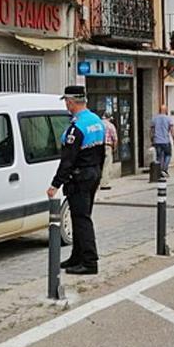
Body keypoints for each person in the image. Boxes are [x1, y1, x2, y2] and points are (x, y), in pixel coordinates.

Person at [48, 86, 106, 275]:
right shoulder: (96, 121)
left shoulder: (77, 128)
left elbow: (68, 160)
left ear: (71, 102)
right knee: (79, 217)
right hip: (93, 174)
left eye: (66, 101)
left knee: (81, 220)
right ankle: (77, 256)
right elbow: (101, 153)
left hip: (79, 178)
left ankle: (89, 262)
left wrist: (55, 184)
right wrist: (98, 174)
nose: (66, 104)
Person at [151, 105, 174, 176]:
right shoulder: (168, 119)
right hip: (166, 141)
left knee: (159, 156)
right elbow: (172, 130)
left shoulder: (154, 119)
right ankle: (164, 169)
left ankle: (159, 170)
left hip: (157, 141)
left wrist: (152, 140)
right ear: (165, 110)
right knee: (168, 155)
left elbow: (152, 131)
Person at [100, 111, 118, 191]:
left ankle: (96, 183)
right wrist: (114, 148)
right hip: (107, 146)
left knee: (99, 165)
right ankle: (104, 183)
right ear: (109, 118)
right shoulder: (110, 126)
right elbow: (115, 139)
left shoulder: (98, 124)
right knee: (106, 165)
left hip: (98, 146)